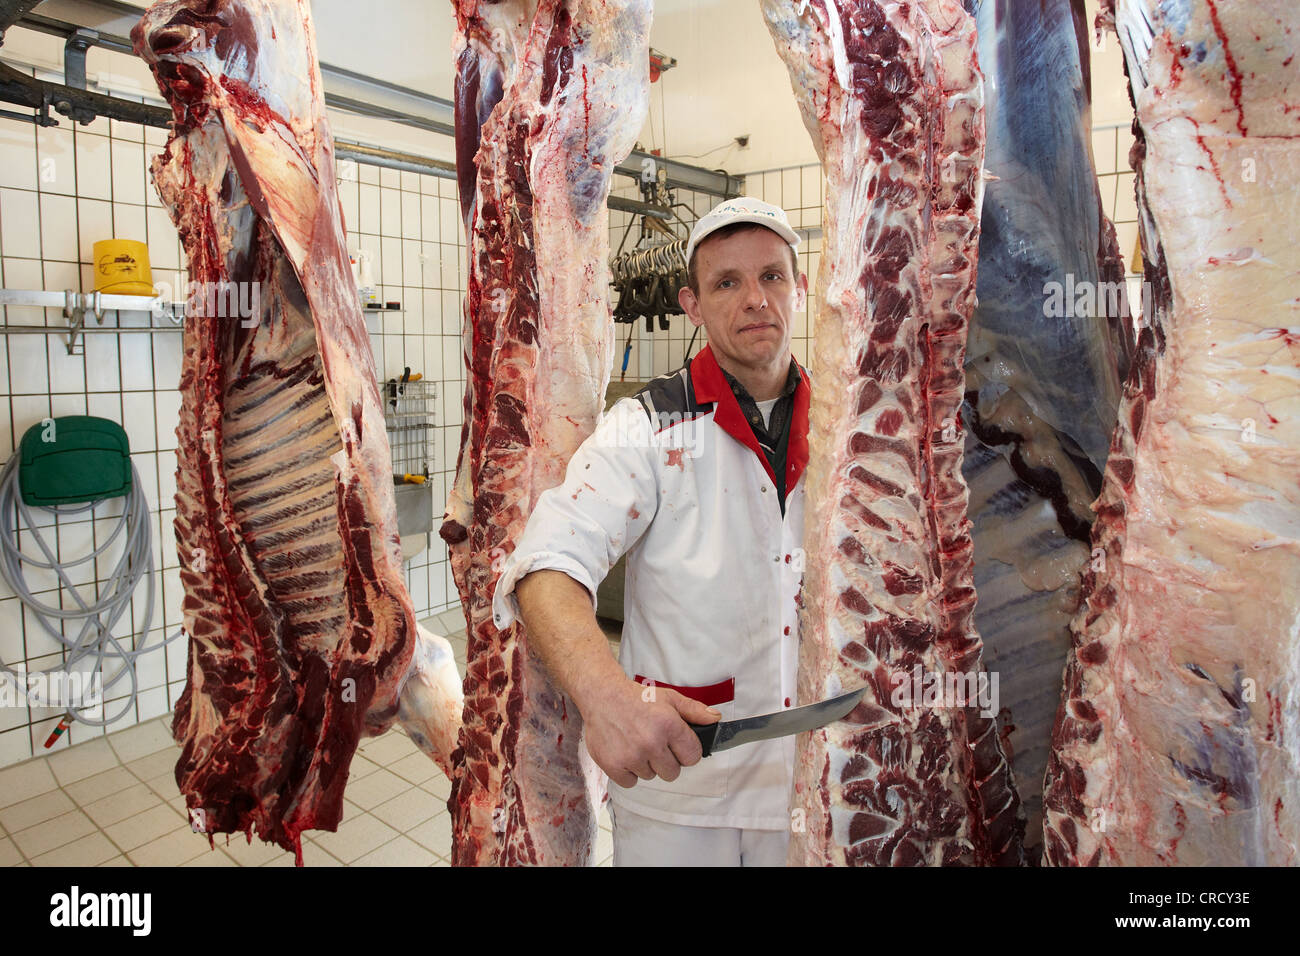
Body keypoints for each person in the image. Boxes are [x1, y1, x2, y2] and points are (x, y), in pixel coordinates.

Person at [491, 197, 811, 866]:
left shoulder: (850, 425)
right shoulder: (645, 425)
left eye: (772, 276)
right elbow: (548, 563)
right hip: (680, 793)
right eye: (727, 282)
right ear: (692, 304)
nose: (755, 299)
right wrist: (608, 701)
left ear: (799, 289)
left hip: (811, 783)